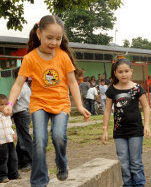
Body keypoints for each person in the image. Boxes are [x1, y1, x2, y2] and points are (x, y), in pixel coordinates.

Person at [3, 15, 91, 187]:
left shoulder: (63, 56)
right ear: (38, 34)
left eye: (58, 39)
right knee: (40, 140)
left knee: (58, 136)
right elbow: (18, 84)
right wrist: (10, 104)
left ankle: (61, 161)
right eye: (49, 38)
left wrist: (79, 105)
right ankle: (39, 181)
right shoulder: (30, 58)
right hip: (39, 105)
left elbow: (72, 82)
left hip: (60, 103)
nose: (54, 42)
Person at [101, 58, 151, 187]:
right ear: (115, 73)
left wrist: (146, 125)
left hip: (135, 131)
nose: (123, 74)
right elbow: (107, 110)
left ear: (131, 72)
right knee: (123, 162)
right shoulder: (112, 90)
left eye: (126, 71)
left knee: (135, 162)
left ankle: (139, 184)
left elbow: (146, 107)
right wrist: (105, 129)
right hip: (119, 132)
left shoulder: (137, 88)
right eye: (120, 72)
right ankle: (127, 184)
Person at [12, 68, 33, 172]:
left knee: (24, 139)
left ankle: (30, 162)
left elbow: (14, 100)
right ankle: (19, 162)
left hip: (21, 114)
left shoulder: (20, 87)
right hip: (22, 113)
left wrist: (6, 108)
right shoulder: (26, 86)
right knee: (21, 138)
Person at [0, 94, 21, 183]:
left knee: (13, 157)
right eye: (1, 105)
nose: (4, 107)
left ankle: (13, 174)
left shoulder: (7, 115)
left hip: (9, 140)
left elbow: (9, 126)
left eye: (6, 104)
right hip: (1, 141)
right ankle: (2, 176)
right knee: (3, 159)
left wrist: (13, 133)